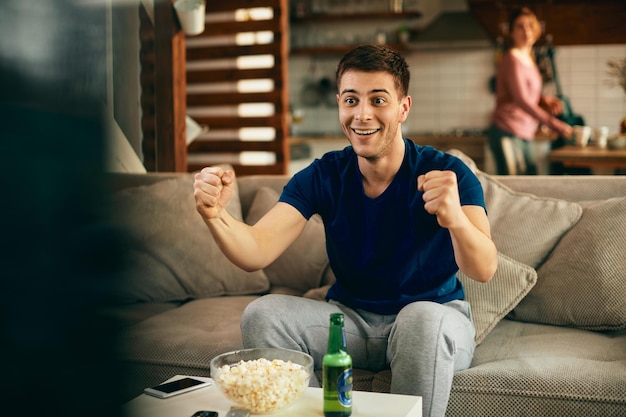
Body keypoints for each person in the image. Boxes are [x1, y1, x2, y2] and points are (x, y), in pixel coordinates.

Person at [194, 44, 498, 417]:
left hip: (433, 318)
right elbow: (255, 249)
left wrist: (455, 220)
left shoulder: (448, 173)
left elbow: (484, 269)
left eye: (378, 100)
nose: (362, 114)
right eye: (351, 100)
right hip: (350, 322)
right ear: (339, 104)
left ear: (403, 107)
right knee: (262, 314)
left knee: (421, 319)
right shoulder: (324, 175)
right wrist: (214, 214)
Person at [489, 7, 573, 175]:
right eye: (520, 26)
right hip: (508, 130)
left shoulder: (528, 57)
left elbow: (524, 93)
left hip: (525, 131)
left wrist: (543, 99)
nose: (526, 30)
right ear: (511, 32)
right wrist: (555, 124)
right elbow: (521, 99)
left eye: (529, 25)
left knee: (527, 181)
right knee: (514, 189)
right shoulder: (512, 58)